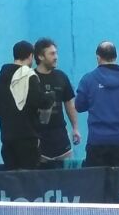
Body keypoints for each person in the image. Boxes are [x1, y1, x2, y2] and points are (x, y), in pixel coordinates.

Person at [73, 41, 119, 167]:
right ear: (116, 56)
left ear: (98, 58)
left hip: (97, 141)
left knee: (96, 179)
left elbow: (79, 106)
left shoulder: (88, 80)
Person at [0, 39, 42, 170]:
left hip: (7, 135)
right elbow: (38, 101)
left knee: (10, 175)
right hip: (27, 135)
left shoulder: (2, 76)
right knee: (29, 175)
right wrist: (49, 98)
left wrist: (6, 115)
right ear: (30, 56)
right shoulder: (29, 75)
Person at [32, 37, 82, 166]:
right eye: (52, 54)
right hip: (38, 138)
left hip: (60, 137)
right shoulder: (31, 78)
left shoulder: (61, 77)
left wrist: (75, 128)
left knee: (66, 175)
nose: (56, 57)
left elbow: (69, 104)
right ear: (40, 56)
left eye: (56, 53)